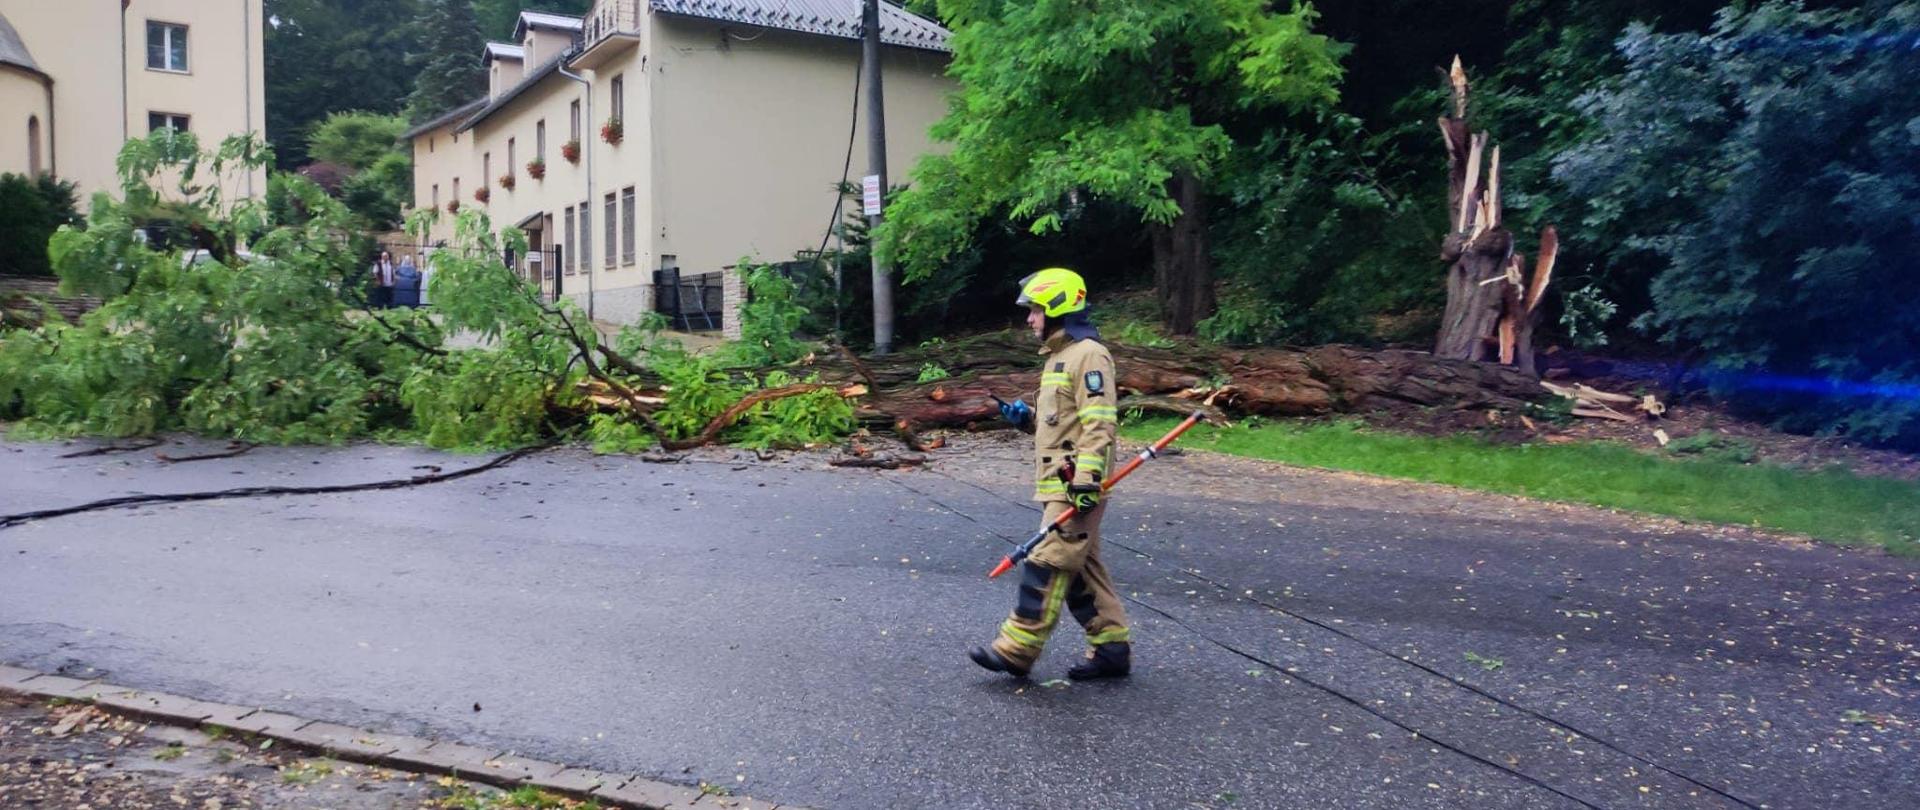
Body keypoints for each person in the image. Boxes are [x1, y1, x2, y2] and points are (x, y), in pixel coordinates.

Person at [970, 267, 1132, 681]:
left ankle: (1016, 650)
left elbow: (1099, 423)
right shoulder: (1060, 357)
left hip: (1075, 486)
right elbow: (1063, 422)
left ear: (1057, 308)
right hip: (1058, 484)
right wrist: (1025, 418)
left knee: (1047, 561)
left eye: (1036, 310)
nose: (1030, 319)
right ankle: (1111, 648)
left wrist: (1086, 480)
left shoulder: (1089, 355)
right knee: (1080, 569)